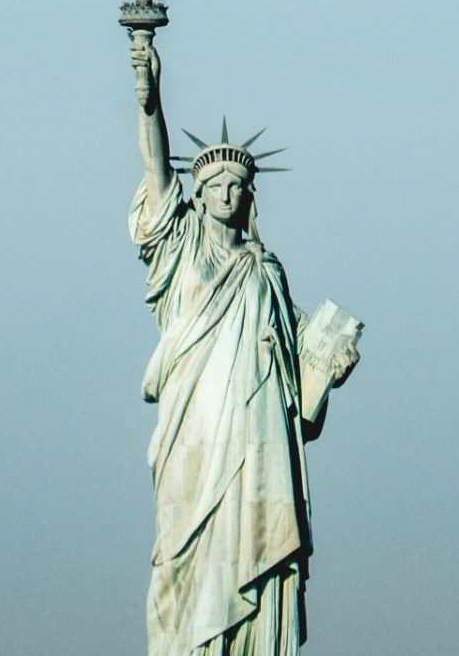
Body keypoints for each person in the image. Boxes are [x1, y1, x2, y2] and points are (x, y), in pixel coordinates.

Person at [127, 36, 357, 656]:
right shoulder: (180, 253)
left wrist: (327, 369)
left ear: (249, 197)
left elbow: (294, 388)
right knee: (186, 555)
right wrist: (149, 99)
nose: (228, 194)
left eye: (238, 185)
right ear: (197, 194)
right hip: (195, 430)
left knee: (254, 546)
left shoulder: (267, 273)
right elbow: (155, 172)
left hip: (258, 438)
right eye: (216, 184)